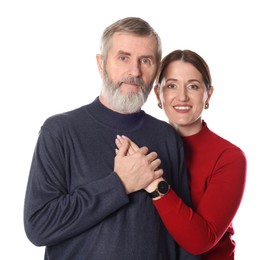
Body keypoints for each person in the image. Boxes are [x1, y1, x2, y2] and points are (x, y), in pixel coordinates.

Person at [23, 18, 199, 260]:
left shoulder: (166, 136)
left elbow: (185, 236)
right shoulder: (60, 131)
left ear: (156, 70)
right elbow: (39, 226)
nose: (135, 72)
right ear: (101, 63)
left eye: (145, 61)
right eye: (123, 58)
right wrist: (120, 184)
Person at [116, 49, 247, 259]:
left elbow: (201, 241)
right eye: (172, 85)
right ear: (159, 94)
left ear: (208, 94)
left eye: (193, 86)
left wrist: (153, 184)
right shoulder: (141, 147)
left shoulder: (229, 157)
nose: (182, 96)